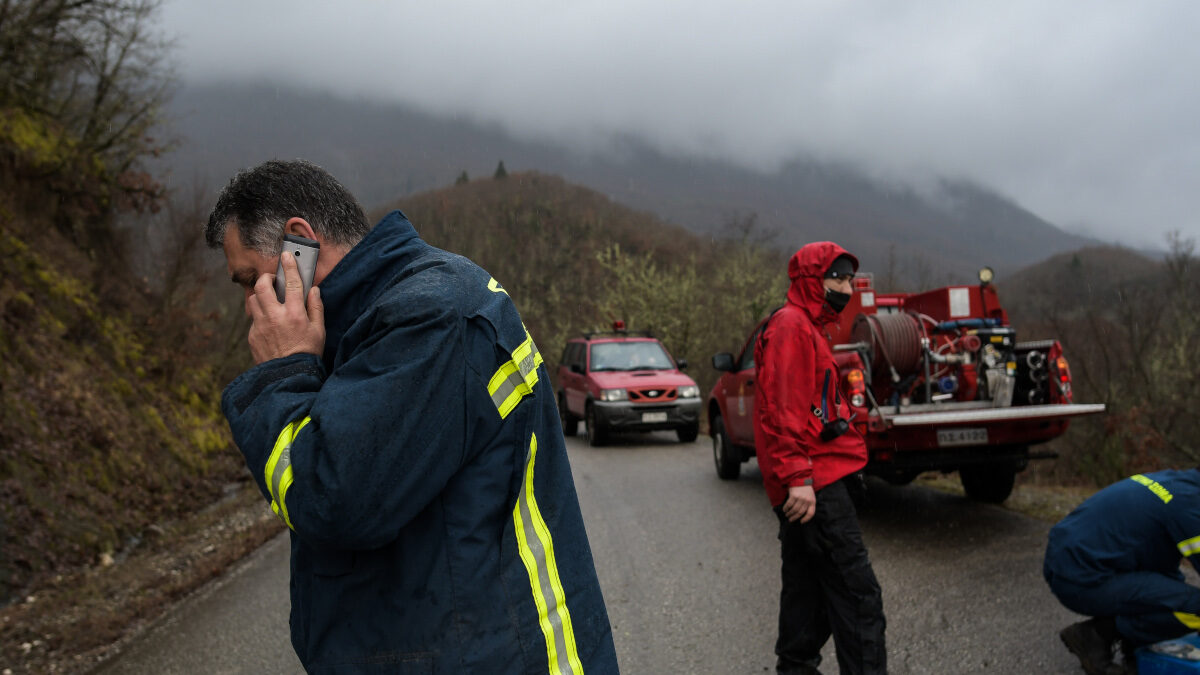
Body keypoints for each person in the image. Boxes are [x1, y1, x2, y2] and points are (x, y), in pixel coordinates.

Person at [204, 159, 618, 673]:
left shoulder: (428, 315)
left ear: (299, 245)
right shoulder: (370, 322)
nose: (249, 304)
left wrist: (286, 371)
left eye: (249, 280)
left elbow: (332, 499)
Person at [753, 242, 886, 675]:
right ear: (813, 280)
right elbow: (781, 407)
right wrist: (797, 476)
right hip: (815, 482)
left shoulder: (810, 327)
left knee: (807, 600)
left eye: (849, 279)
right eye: (837, 278)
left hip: (815, 478)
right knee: (858, 598)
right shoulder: (792, 325)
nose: (846, 287)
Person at [1045, 469, 1200, 675]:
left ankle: (1135, 646)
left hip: (1068, 562)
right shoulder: (1188, 507)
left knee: (1173, 591)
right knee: (1194, 608)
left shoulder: (1176, 482)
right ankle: (1096, 635)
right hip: (1083, 579)